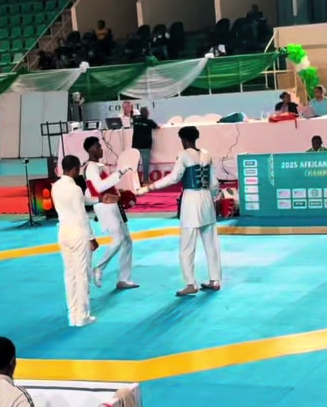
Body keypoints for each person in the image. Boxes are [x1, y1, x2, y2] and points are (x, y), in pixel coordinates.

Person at [151, 126, 222, 296]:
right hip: (206, 199)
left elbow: (173, 178)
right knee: (211, 244)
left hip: (191, 200)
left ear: (183, 140)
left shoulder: (184, 155)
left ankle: (191, 283)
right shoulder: (207, 154)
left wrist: (150, 187)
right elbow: (214, 183)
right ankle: (215, 280)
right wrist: (210, 197)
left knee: (187, 246)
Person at [83, 137, 138, 292]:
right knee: (119, 238)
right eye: (98, 147)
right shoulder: (90, 167)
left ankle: (124, 279)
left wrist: (118, 192)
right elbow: (99, 188)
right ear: (91, 149)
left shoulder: (98, 166)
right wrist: (120, 173)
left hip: (113, 204)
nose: (101, 149)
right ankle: (99, 268)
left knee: (127, 240)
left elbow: (104, 186)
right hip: (104, 206)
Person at [52, 156, 97, 327]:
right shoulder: (76, 189)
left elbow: (78, 203)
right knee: (82, 275)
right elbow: (82, 215)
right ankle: (83, 316)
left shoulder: (55, 187)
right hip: (78, 233)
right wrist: (92, 238)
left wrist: (99, 199)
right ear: (74, 169)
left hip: (63, 232)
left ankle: (72, 314)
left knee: (70, 274)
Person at [132, 105, 158, 187]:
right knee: (145, 164)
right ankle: (145, 180)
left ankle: (135, 181)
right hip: (145, 146)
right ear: (147, 113)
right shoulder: (149, 122)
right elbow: (157, 127)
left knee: (135, 164)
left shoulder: (135, 121)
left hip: (135, 145)